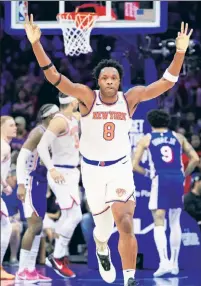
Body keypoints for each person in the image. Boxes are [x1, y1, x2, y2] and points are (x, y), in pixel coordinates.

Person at [24, 15, 192, 285]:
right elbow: (54, 77)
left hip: (120, 168)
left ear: (119, 80)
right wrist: (36, 44)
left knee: (125, 221)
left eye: (114, 76)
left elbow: (166, 83)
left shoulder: (131, 98)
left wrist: (180, 51)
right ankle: (102, 248)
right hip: (92, 171)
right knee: (103, 230)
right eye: (105, 77)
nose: (110, 80)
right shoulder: (86, 97)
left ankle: (129, 279)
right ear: (98, 81)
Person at [132, 110, 199, 277]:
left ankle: (164, 263)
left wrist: (148, 173)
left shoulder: (146, 139)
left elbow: (134, 165)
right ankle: (174, 264)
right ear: (167, 122)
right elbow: (196, 159)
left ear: (150, 122)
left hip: (160, 178)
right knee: (175, 221)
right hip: (177, 178)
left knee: (159, 219)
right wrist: (184, 173)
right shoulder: (178, 137)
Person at [37, 93, 82, 278]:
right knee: (76, 215)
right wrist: (52, 169)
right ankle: (57, 256)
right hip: (61, 172)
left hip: (72, 171)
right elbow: (42, 146)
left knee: (66, 216)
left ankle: (57, 254)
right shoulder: (60, 121)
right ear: (73, 101)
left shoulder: (74, 117)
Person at [15, 104, 59, 283]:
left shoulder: (50, 134)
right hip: (30, 181)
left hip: (41, 183)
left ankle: (31, 269)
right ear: (49, 117)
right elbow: (21, 158)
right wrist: (20, 184)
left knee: (39, 227)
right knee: (33, 226)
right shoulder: (38, 132)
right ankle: (22, 270)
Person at [1, 116, 17, 280]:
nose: (15, 128)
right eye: (11, 125)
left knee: (6, 227)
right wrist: (5, 185)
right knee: (6, 228)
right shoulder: (4, 147)